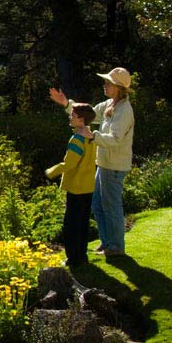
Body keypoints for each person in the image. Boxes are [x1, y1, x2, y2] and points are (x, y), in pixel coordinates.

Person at [49, 67, 135, 257]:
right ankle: (107, 242)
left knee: (111, 206)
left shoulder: (124, 111)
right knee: (97, 204)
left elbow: (115, 139)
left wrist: (92, 135)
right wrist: (66, 103)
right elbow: (88, 114)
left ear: (118, 87)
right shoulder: (110, 104)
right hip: (104, 163)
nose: (104, 85)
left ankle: (116, 247)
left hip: (114, 166)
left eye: (108, 83)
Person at [45, 103, 97, 267]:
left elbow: (69, 163)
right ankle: (82, 256)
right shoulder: (91, 136)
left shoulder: (77, 139)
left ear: (81, 119)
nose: (70, 117)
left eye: (73, 115)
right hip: (88, 185)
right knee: (82, 223)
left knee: (71, 224)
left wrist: (51, 171)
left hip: (76, 187)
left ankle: (73, 258)